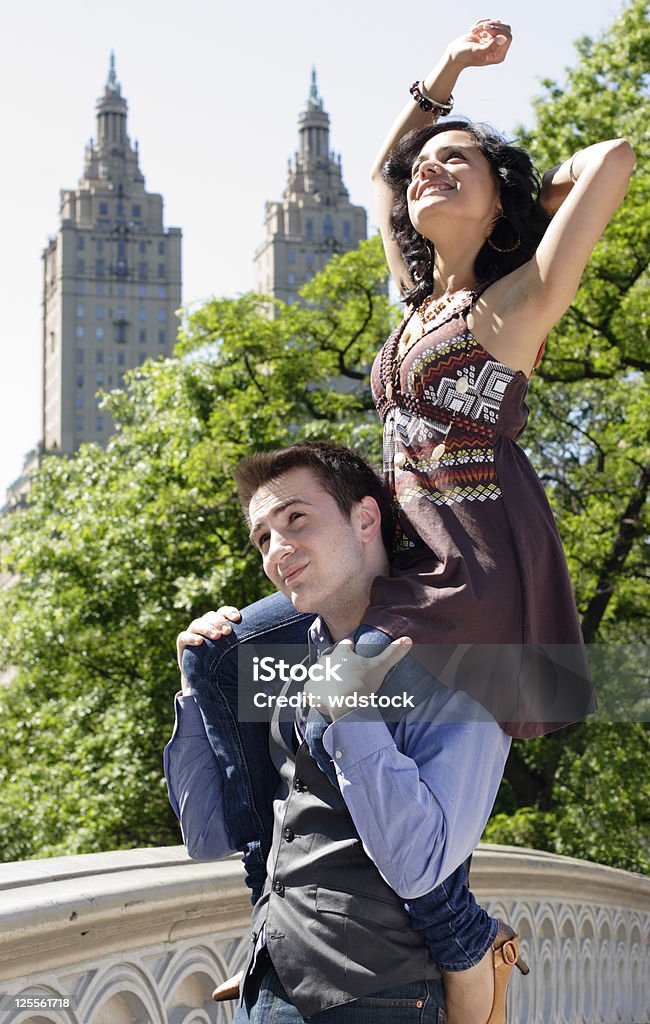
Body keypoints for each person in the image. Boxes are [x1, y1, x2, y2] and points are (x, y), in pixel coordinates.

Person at [168, 16, 635, 1020]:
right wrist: (450, 75)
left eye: (452, 165)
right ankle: (270, 917)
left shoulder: (509, 308)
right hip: (411, 573)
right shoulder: (414, 302)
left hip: (469, 585)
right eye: (428, 166)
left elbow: (613, 157)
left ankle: (464, 945)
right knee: (232, 656)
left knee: (328, 697)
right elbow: (381, 166)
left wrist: (522, 192)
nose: (425, 174)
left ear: (498, 202)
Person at [166, 441, 516, 1024]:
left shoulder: (455, 663)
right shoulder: (283, 665)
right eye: (262, 538)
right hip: (269, 979)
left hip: (379, 994)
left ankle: (473, 948)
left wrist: (353, 717)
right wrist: (195, 686)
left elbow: (421, 863)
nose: (278, 550)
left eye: (296, 518)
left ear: (365, 519)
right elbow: (207, 836)